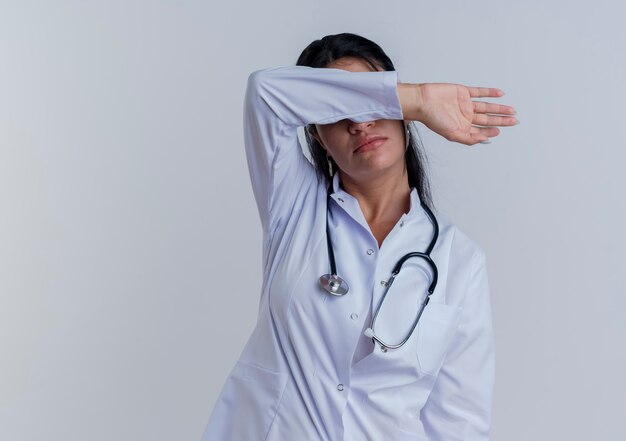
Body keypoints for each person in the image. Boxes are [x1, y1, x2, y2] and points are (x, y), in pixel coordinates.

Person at [201, 32, 517, 441]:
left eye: (370, 101)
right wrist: (418, 100)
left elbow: (459, 423)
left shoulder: (459, 259)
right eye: (340, 109)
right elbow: (265, 93)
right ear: (317, 134)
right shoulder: (293, 208)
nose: (359, 121)